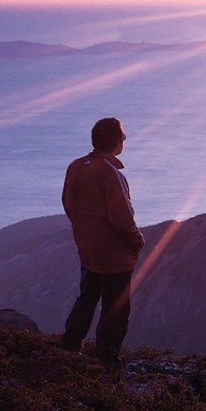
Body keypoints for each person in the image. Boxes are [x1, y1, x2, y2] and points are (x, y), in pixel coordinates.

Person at [61, 117, 145, 368]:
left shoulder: (75, 166)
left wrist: (86, 233)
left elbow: (68, 204)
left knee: (86, 298)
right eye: (123, 136)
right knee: (116, 309)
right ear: (117, 142)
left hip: (88, 249)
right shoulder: (110, 173)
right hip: (114, 255)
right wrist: (136, 241)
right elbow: (122, 218)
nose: (125, 140)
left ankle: (68, 349)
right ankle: (106, 359)